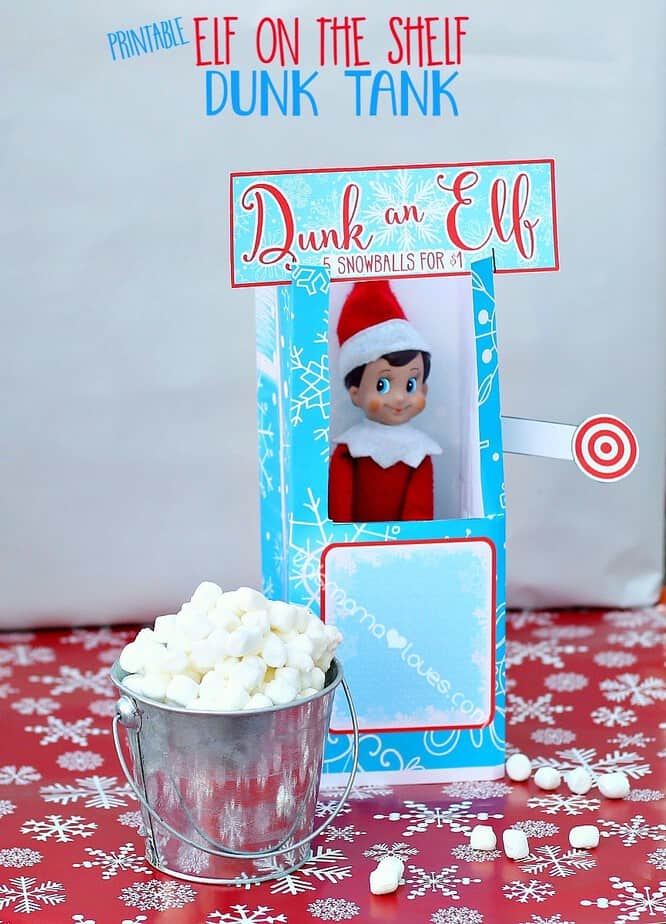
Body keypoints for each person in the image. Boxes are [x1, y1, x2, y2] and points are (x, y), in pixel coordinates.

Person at [329, 279, 441, 522]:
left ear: (424, 389)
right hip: (356, 540)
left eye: (410, 385)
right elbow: (339, 503)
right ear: (355, 393)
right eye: (383, 385)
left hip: (401, 543)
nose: (400, 397)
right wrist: (343, 536)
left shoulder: (418, 451)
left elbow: (419, 507)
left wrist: (411, 540)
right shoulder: (350, 448)